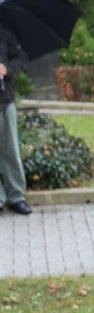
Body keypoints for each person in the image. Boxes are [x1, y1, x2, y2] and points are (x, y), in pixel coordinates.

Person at [0, 24, 32, 215]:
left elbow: (22, 59)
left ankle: (16, 196)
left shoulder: (6, 33)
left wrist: (6, 69)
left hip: (5, 100)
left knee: (11, 150)